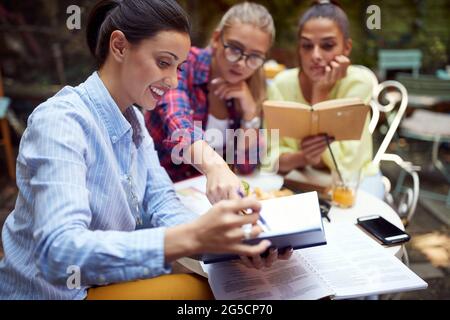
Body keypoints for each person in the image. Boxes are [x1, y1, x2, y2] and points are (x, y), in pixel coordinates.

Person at [0, 0, 291, 300]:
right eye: (164, 63)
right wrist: (194, 235)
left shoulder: (135, 120)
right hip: (54, 294)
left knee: (232, 284)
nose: (174, 80)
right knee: (208, 292)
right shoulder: (61, 122)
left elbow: (162, 204)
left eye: (179, 68)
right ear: (120, 46)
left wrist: (231, 242)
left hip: (102, 284)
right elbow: (59, 252)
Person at [146, 2, 275, 203]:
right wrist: (217, 166)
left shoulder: (247, 89)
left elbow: (246, 165)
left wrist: (250, 113)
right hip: (161, 194)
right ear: (216, 39)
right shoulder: (183, 64)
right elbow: (178, 123)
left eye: (255, 57)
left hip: (208, 199)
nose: (241, 63)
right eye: (234, 49)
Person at [264, 0, 384, 199]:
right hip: (299, 179)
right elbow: (271, 156)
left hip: (356, 180)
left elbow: (347, 162)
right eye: (307, 46)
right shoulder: (281, 85)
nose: (316, 55)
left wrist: (320, 93)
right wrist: (303, 157)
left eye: (327, 46)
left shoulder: (358, 83)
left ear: (346, 48)